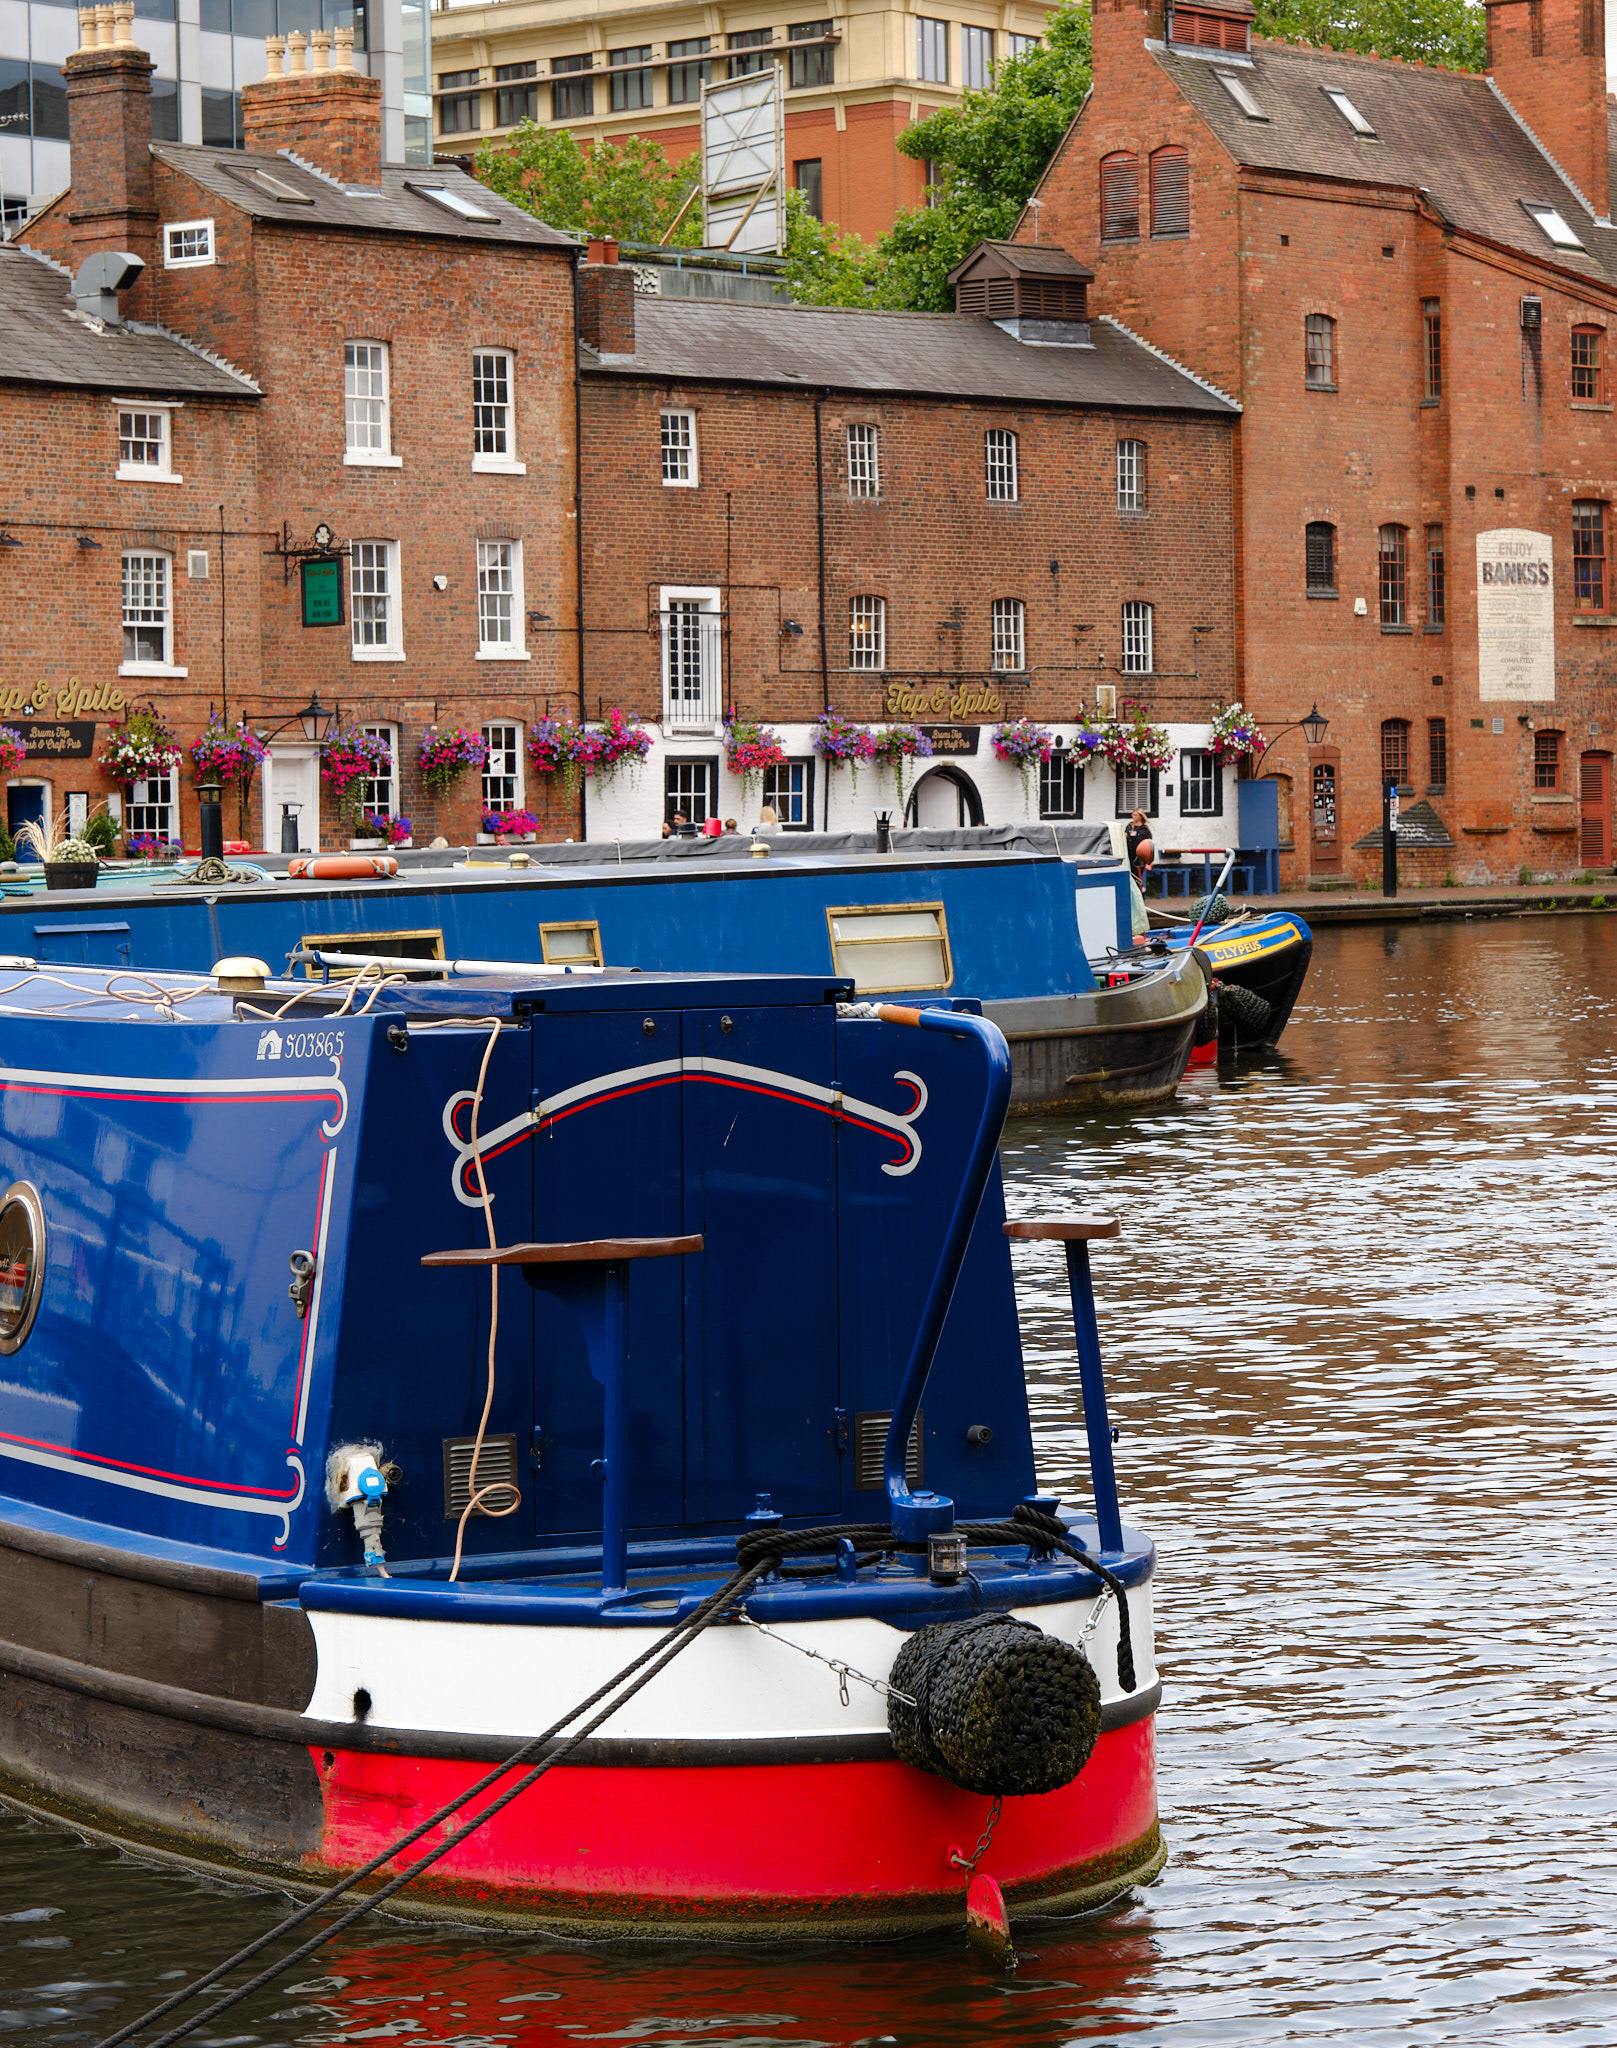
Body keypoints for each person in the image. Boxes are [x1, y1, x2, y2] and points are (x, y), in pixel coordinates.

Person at [1125, 809, 1154, 882]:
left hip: (1139, 855)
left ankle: (1139, 890)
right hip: (1129, 853)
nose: (1133, 817)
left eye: (1135, 815)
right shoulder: (1129, 826)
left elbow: (1148, 843)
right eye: (1132, 815)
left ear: (1140, 816)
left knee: (1137, 876)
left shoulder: (1144, 829)